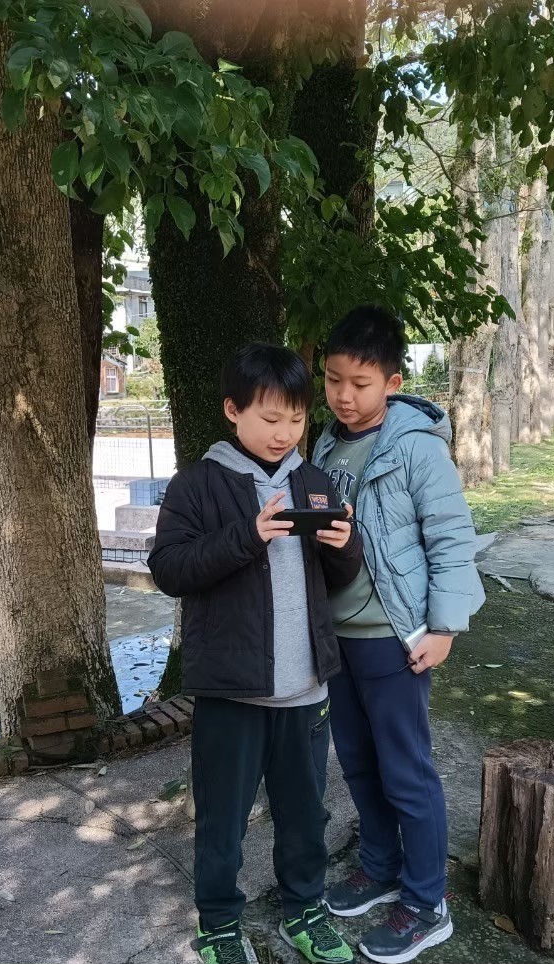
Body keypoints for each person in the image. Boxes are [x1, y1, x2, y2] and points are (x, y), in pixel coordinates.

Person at [149, 343, 363, 964]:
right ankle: (219, 924)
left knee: (305, 816)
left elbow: (342, 576)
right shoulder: (197, 485)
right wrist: (247, 535)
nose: (284, 433)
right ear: (232, 411)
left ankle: (306, 910)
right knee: (223, 819)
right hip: (231, 694)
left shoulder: (313, 482)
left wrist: (345, 545)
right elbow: (169, 569)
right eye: (270, 419)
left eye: (295, 419)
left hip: (306, 690)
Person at [312, 305, 485, 964]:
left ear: (392, 381)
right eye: (333, 380)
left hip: (396, 635)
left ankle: (426, 900)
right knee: (357, 761)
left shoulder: (417, 446)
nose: (344, 396)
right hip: (340, 636)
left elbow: (451, 538)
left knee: (406, 770)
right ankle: (380, 866)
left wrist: (444, 627)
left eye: (360, 384)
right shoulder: (326, 444)